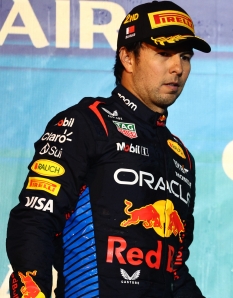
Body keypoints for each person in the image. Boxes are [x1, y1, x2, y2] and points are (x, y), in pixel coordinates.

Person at [6, 1, 210, 297]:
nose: (177, 68)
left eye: (185, 56)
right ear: (127, 57)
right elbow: (35, 219)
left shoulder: (180, 157)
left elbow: (174, 271)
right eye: (164, 54)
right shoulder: (87, 123)